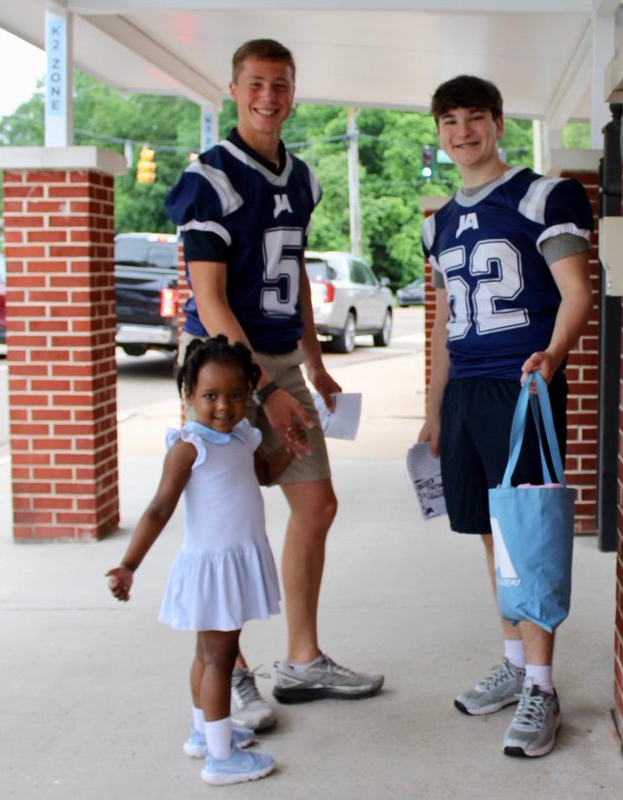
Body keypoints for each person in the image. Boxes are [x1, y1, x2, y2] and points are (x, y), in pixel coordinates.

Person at [164, 38, 383, 730]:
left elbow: (293, 285)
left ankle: (302, 657)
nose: (268, 96)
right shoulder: (212, 178)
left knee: (314, 505)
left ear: (294, 90)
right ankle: (226, 674)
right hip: (224, 371)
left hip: (280, 354)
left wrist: (311, 362)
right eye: (255, 83)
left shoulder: (304, 178)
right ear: (233, 89)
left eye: (280, 84)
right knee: (223, 527)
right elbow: (212, 300)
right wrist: (266, 389)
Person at [417, 75, 594, 758]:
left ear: (497, 124)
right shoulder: (436, 222)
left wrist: (552, 355)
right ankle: (516, 665)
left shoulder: (542, 196)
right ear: (437, 131)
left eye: (474, 119)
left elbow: (577, 289)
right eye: (448, 121)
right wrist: (434, 407)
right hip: (467, 393)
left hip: (523, 388)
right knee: (493, 541)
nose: (462, 132)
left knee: (529, 539)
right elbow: (442, 325)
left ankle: (542, 687)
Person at [106, 337, 300, 785]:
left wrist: (289, 445)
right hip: (214, 568)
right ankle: (221, 758)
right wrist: (129, 564)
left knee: (206, 655)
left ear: (248, 394)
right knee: (220, 659)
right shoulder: (190, 446)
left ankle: (203, 732)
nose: (223, 407)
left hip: (232, 561)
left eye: (235, 395)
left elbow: (266, 476)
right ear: (188, 395)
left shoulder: (243, 438)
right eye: (210, 396)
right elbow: (158, 508)